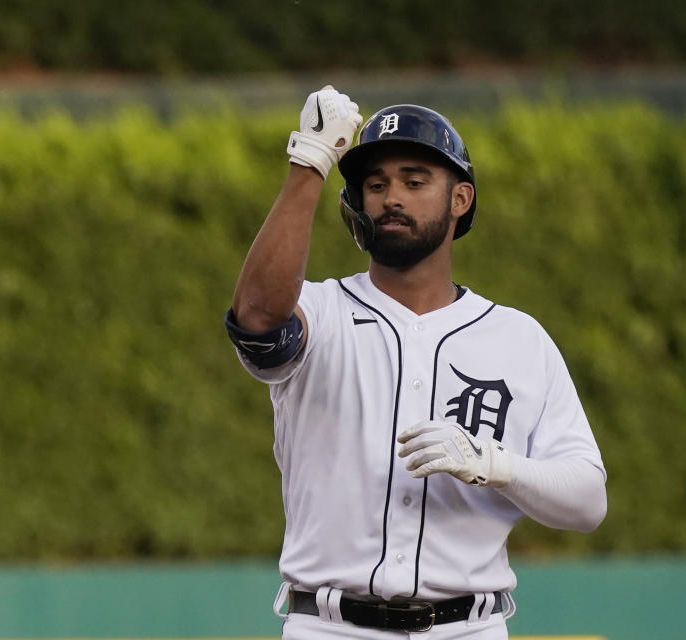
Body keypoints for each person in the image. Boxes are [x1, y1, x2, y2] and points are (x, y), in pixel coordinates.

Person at [225, 86, 607, 638]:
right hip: (331, 629)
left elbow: (587, 500)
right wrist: (310, 162)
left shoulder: (519, 338)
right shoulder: (320, 311)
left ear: (461, 200)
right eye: (375, 185)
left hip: (468, 628)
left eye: (414, 180)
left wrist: (497, 465)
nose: (390, 197)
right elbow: (258, 318)